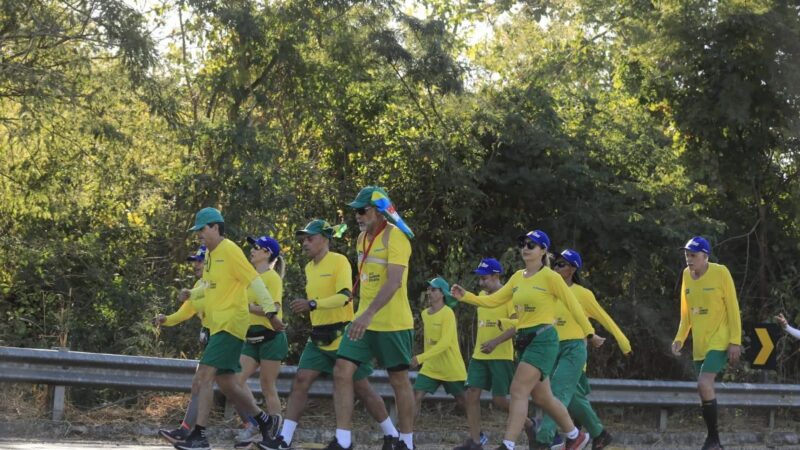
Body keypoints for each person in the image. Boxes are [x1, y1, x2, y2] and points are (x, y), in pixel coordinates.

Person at [261, 219, 399, 450]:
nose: (305, 243)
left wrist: (312, 304)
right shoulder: (308, 267)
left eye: (310, 238)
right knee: (301, 380)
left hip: (342, 336)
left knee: (363, 388)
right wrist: (311, 306)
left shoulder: (339, 261)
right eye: (303, 239)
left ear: (325, 239)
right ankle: (284, 439)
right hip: (317, 338)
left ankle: (392, 435)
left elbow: (345, 296)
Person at [451, 230, 592, 450]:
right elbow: (494, 300)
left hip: (543, 340)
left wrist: (589, 332)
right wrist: (466, 296)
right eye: (523, 244)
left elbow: (573, 306)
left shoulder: (551, 277)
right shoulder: (517, 277)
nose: (525, 248)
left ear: (543, 250)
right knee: (544, 398)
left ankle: (507, 444)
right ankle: (575, 436)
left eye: (531, 245)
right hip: (525, 341)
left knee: (517, 390)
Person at [175, 207, 285, 450]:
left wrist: (271, 313)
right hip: (219, 326)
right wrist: (191, 293)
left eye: (202, 229)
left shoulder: (231, 250)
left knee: (204, 375)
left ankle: (199, 436)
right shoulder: (211, 254)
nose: (199, 234)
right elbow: (209, 285)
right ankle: (264, 421)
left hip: (231, 324)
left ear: (215, 227)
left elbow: (254, 281)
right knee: (228, 383)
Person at [328, 186, 416, 450]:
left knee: (399, 381)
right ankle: (343, 440)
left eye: (362, 210)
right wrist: (361, 314)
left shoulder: (396, 237)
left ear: (378, 210)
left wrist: (368, 314)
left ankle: (406, 442)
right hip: (363, 322)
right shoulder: (360, 239)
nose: (357, 215)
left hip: (393, 324)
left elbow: (394, 282)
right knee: (342, 370)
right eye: (355, 211)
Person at [533, 249, 631, 450]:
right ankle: (599, 434)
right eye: (556, 263)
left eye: (561, 264)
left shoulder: (583, 294)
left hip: (573, 351)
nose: (556, 267)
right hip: (551, 349)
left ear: (572, 269)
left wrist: (623, 342)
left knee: (557, 393)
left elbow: (605, 318)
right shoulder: (548, 290)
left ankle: (543, 440)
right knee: (572, 397)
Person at [671, 236, 742, 450]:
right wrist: (679, 338)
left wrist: (735, 341)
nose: (689, 259)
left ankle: (713, 439)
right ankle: (714, 441)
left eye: (693, 255)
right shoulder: (686, 275)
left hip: (720, 339)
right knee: (704, 391)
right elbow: (686, 313)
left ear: (705, 256)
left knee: (703, 383)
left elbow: (733, 308)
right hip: (700, 344)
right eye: (687, 255)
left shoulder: (721, 272)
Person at [454, 258, 521, 450]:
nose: (481, 283)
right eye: (480, 279)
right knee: (471, 395)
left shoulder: (509, 296)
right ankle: (476, 441)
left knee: (499, 400)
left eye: (484, 279)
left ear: (496, 276)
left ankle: (528, 423)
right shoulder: (482, 296)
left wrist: (495, 342)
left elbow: (516, 325)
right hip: (479, 356)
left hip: (501, 356)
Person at [234, 235, 288, 448]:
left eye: (257, 247)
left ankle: (276, 434)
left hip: (271, 339)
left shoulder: (272, 278)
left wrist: (246, 307)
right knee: (236, 381)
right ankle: (259, 421)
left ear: (267, 253)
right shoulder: (251, 277)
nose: (252, 250)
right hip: (250, 338)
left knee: (267, 385)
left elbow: (273, 308)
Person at [155, 246, 211, 445]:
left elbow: (212, 305)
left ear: (210, 261)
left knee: (205, 383)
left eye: (200, 260)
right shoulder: (199, 284)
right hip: (212, 338)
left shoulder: (218, 282)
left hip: (225, 337)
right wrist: (166, 320)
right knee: (230, 387)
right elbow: (187, 311)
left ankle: (186, 431)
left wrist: (192, 295)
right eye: (195, 261)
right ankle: (257, 424)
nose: (196, 264)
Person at [411, 277, 467, 417]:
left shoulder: (448, 313)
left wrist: (420, 358)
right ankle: (406, 431)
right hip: (431, 367)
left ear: (442, 293)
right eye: (428, 289)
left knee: (464, 402)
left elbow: (444, 343)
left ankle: (477, 429)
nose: (429, 292)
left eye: (433, 290)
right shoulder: (425, 314)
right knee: (415, 396)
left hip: (451, 367)